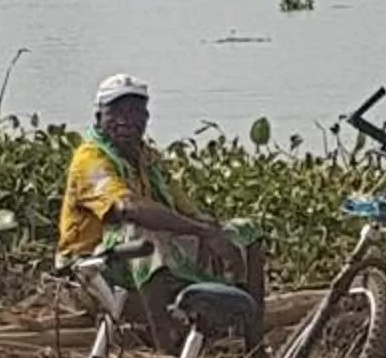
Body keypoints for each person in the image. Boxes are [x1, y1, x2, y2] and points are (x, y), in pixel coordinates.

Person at [58, 76, 262, 329]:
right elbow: (128, 208)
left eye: (135, 112)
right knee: (143, 235)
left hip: (137, 252)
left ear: (146, 118)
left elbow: (186, 210)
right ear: (99, 116)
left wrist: (211, 231)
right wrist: (198, 230)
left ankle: (253, 334)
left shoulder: (147, 158)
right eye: (117, 111)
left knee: (245, 230)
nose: (126, 120)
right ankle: (165, 342)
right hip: (91, 266)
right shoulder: (90, 158)